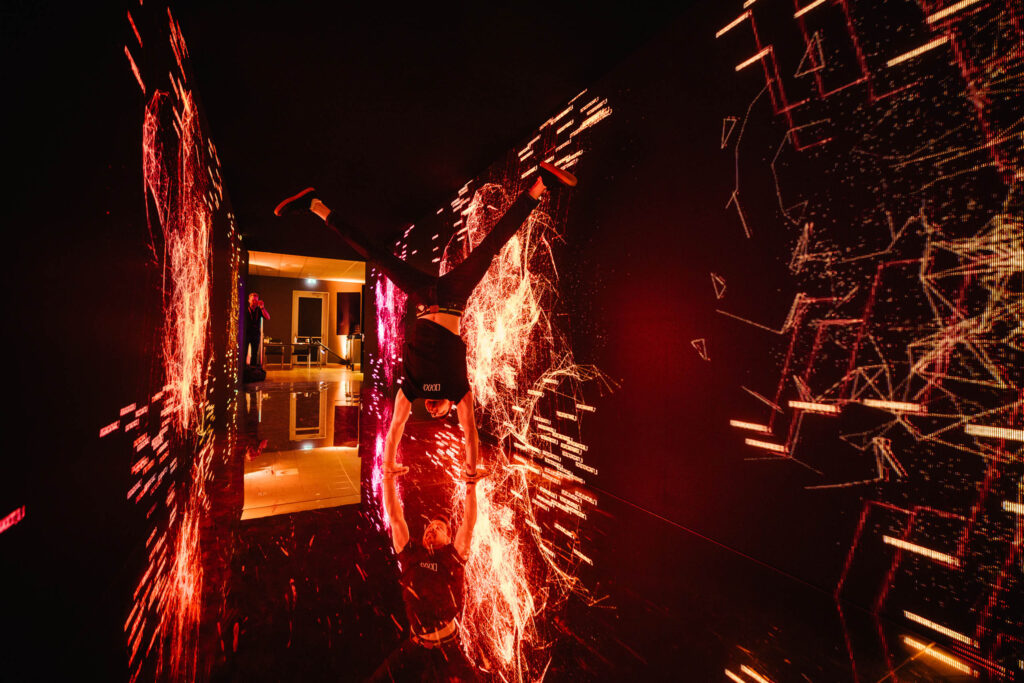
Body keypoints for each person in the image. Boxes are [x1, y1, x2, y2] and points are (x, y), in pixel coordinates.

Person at [273, 161, 577, 478]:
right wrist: (471, 470)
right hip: (454, 296)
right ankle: (540, 184)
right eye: (440, 413)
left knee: (375, 254)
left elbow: (396, 426)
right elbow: (470, 433)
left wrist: (388, 464)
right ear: (450, 408)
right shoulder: (459, 391)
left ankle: (316, 205)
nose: (433, 411)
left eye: (430, 413)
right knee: (491, 247)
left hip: (421, 297)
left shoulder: (412, 389)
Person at [364, 446, 480, 680]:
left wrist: (471, 485)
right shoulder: (410, 553)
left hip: (448, 648)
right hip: (415, 647)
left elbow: (468, 523)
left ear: (448, 539)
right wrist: (388, 479)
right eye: (429, 526)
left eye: (439, 528)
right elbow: (395, 516)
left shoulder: (453, 556)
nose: (431, 529)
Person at [244, 292, 270, 367]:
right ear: (249, 300)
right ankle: (244, 369)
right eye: (253, 300)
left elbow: (268, 317)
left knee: (255, 353)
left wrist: (262, 307)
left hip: (256, 334)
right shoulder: (245, 309)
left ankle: (253, 369)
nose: (254, 302)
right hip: (246, 334)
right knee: (244, 352)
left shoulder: (259, 310)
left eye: (256, 300)